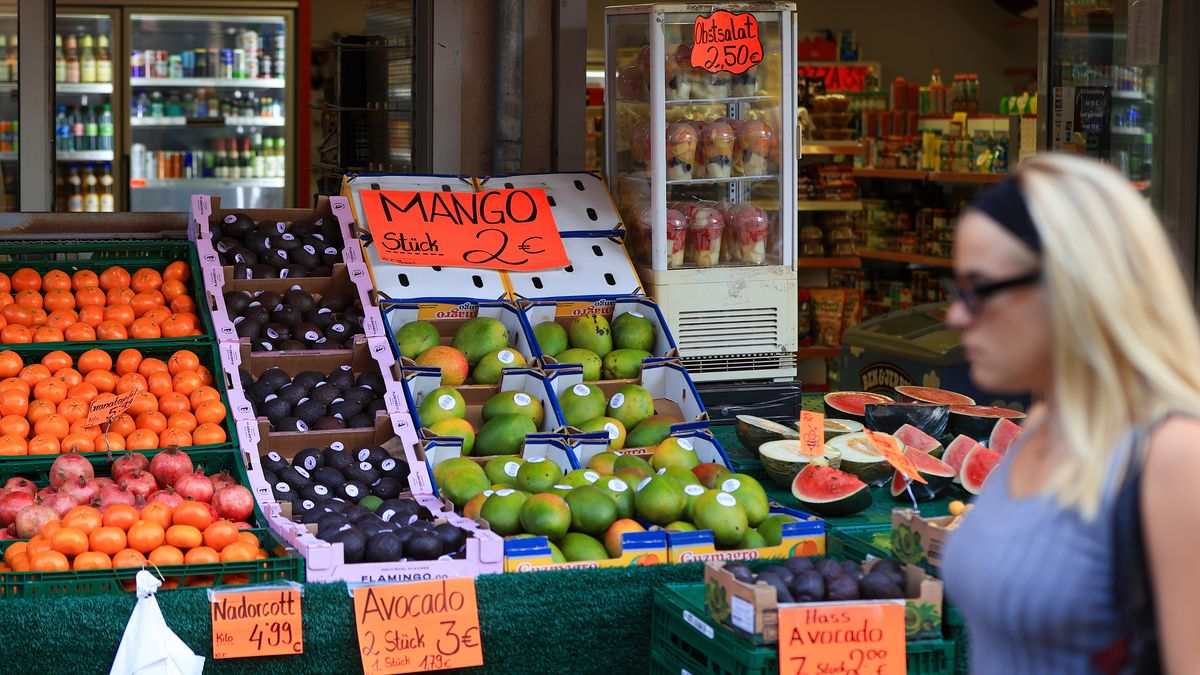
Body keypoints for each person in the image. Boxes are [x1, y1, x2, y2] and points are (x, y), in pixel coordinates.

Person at [940, 153, 1200, 674]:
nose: (955, 315)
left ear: (1072, 286)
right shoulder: (1038, 427)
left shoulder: (1174, 457)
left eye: (978, 290)